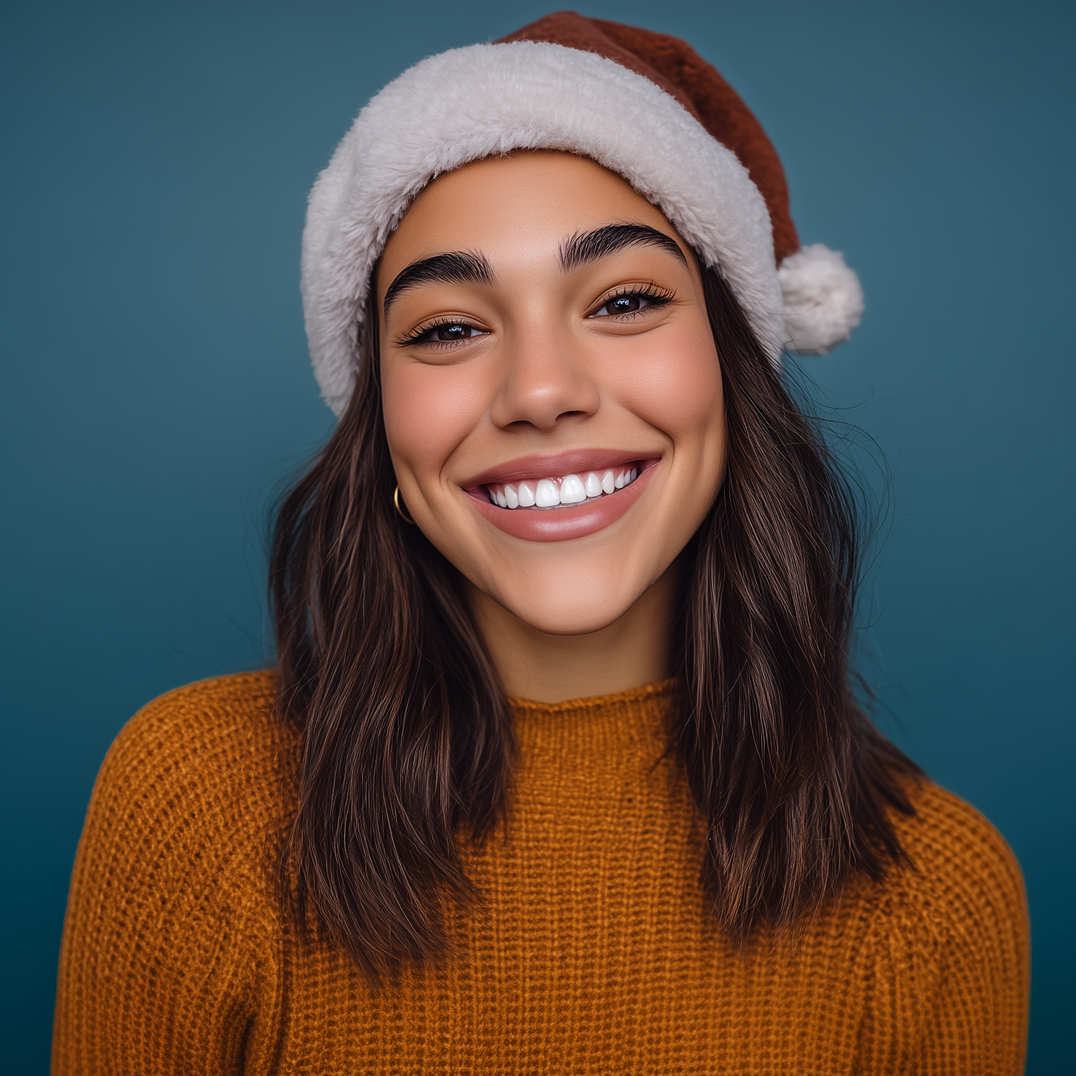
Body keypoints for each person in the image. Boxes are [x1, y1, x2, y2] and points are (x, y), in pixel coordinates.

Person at [51, 12, 1030, 1074]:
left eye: (622, 300)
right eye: (447, 328)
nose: (539, 391)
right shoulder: (195, 803)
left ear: (733, 371)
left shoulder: (935, 898)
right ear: (378, 419)